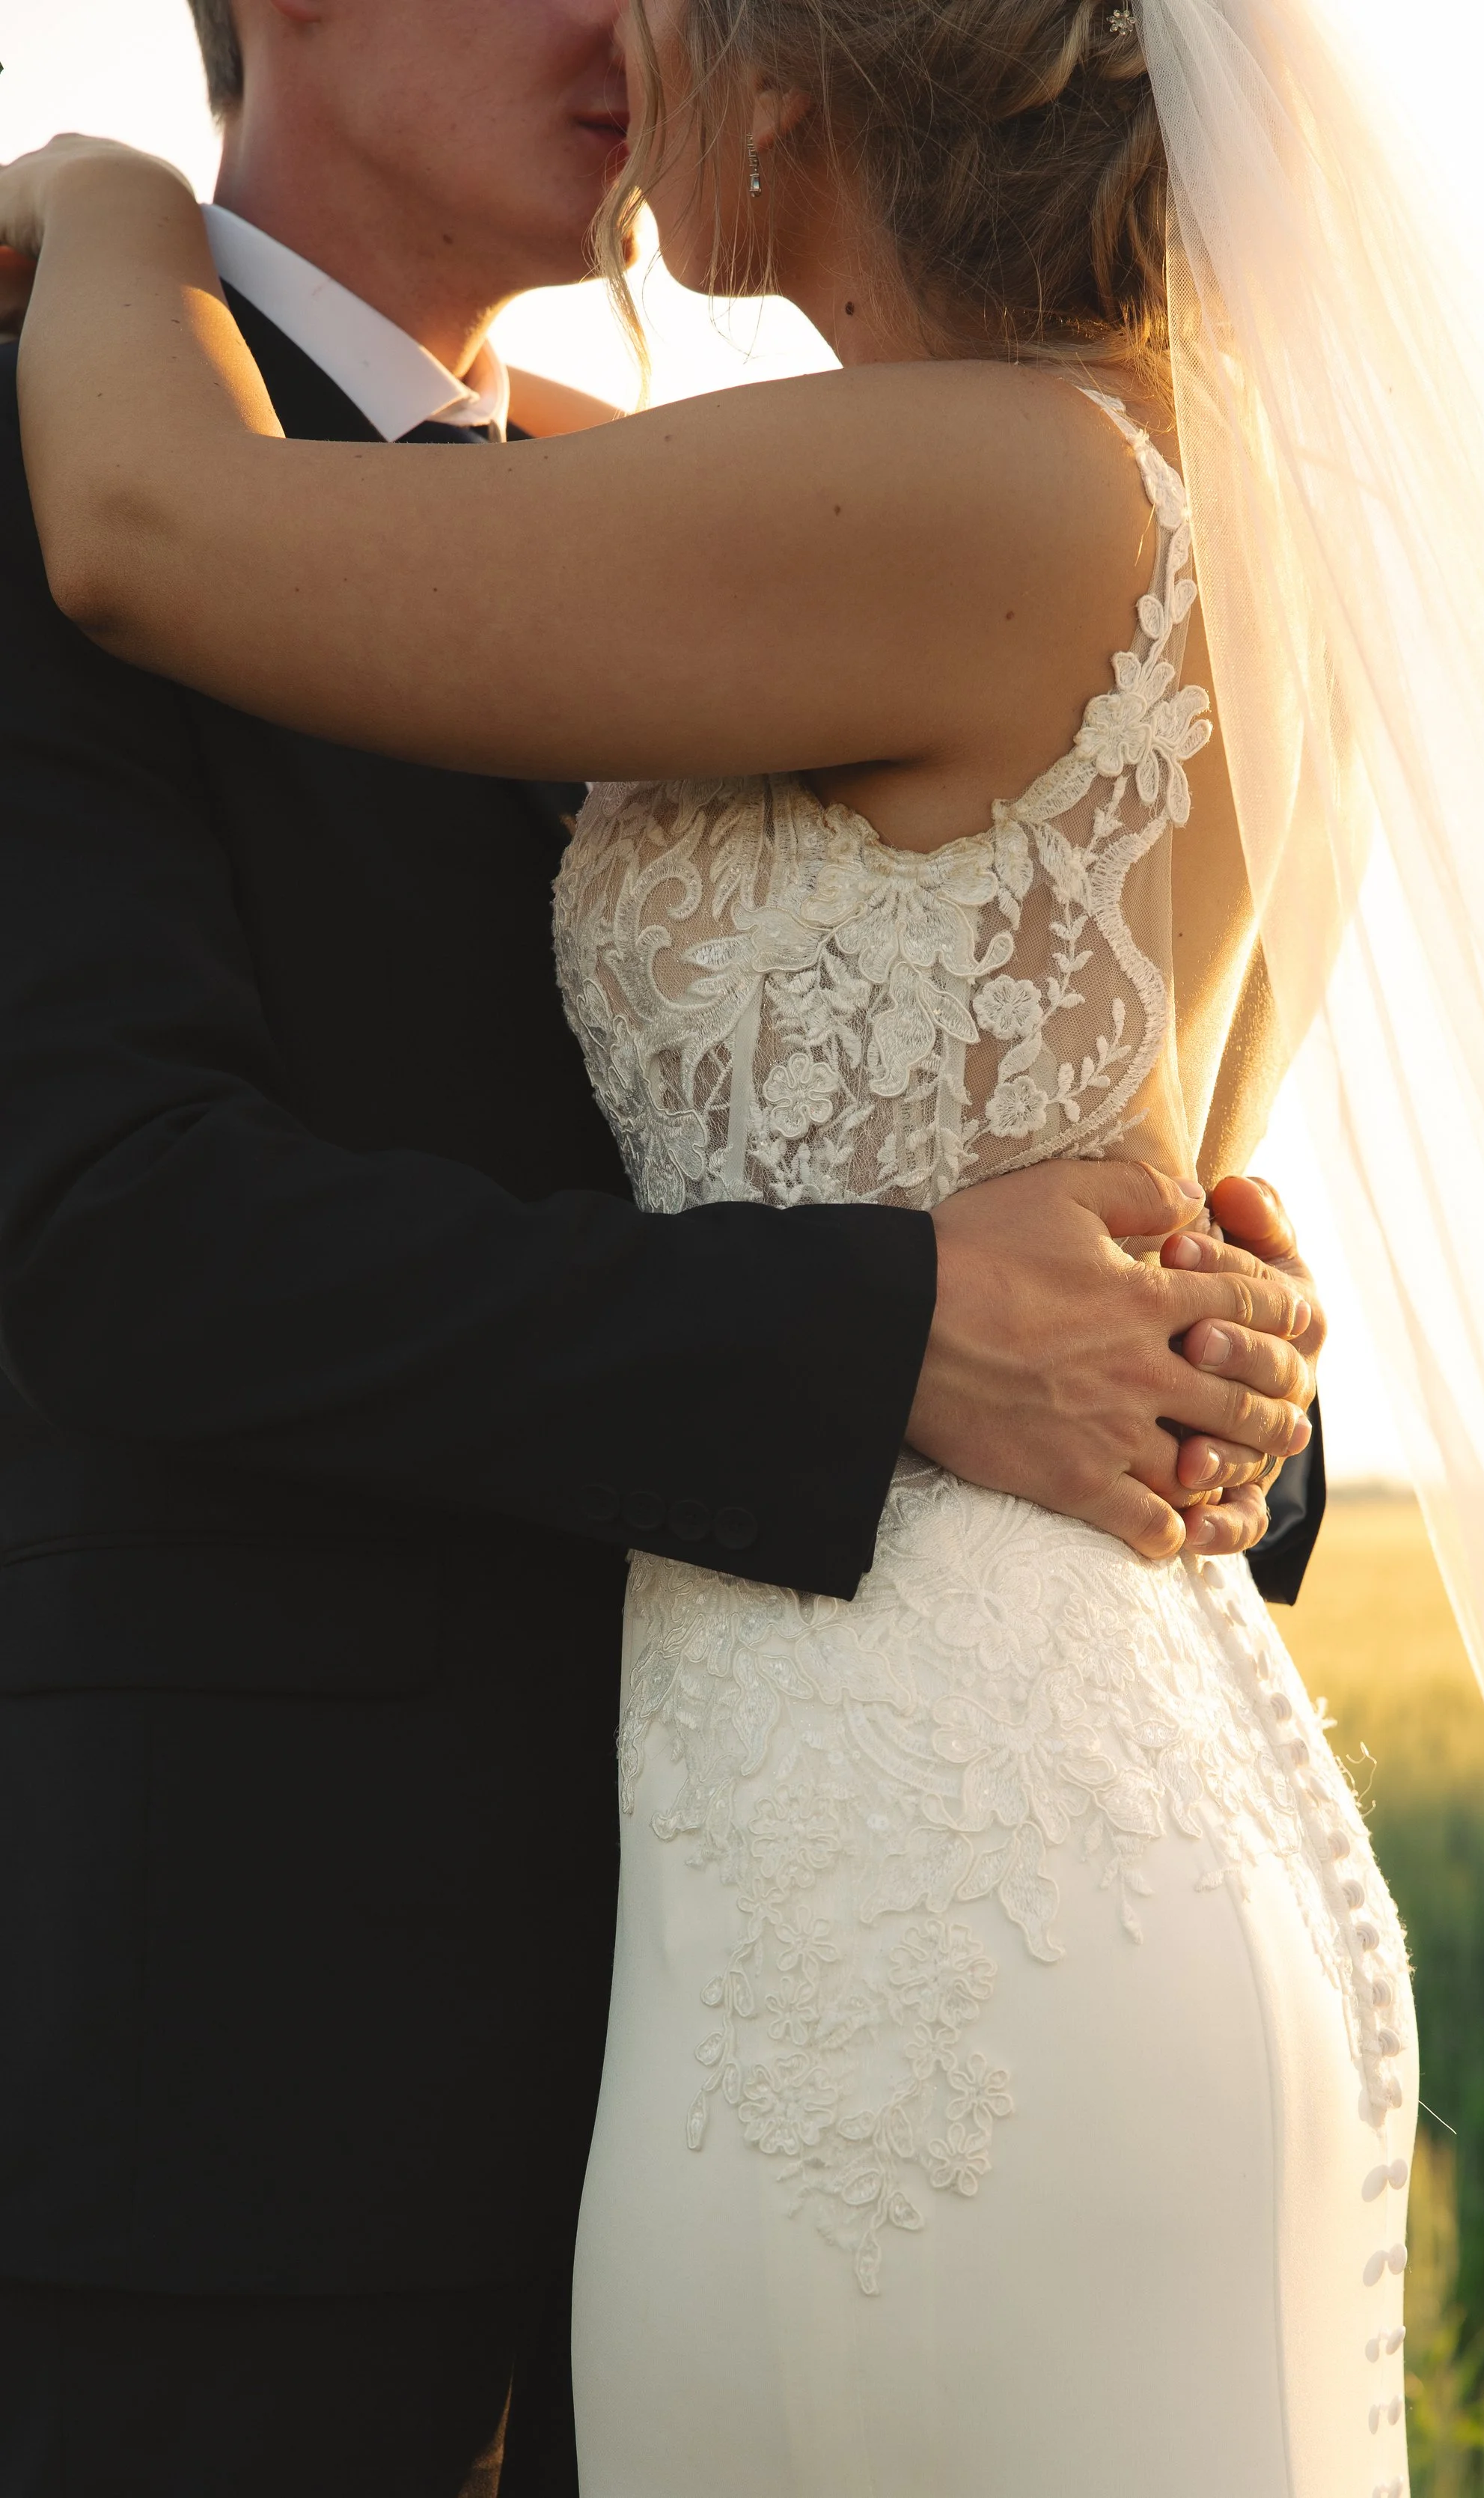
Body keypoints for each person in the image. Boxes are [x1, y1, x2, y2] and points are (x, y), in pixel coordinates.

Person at [0, 4, 1331, 2494]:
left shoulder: (728, 512)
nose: (642, 11)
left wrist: (1202, 1351)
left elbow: (967, 1111)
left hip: (842, 1996)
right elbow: (109, 1233)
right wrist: (900, 1340)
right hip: (256, 2107)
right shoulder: (54, 455)